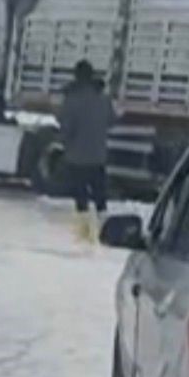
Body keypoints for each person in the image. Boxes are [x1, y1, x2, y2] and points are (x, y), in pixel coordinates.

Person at [57, 59, 117, 242]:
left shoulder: (71, 100)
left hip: (76, 158)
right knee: (100, 197)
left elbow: (66, 129)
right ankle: (104, 231)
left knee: (81, 198)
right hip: (98, 156)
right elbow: (112, 121)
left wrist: (64, 143)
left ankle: (84, 234)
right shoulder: (103, 99)